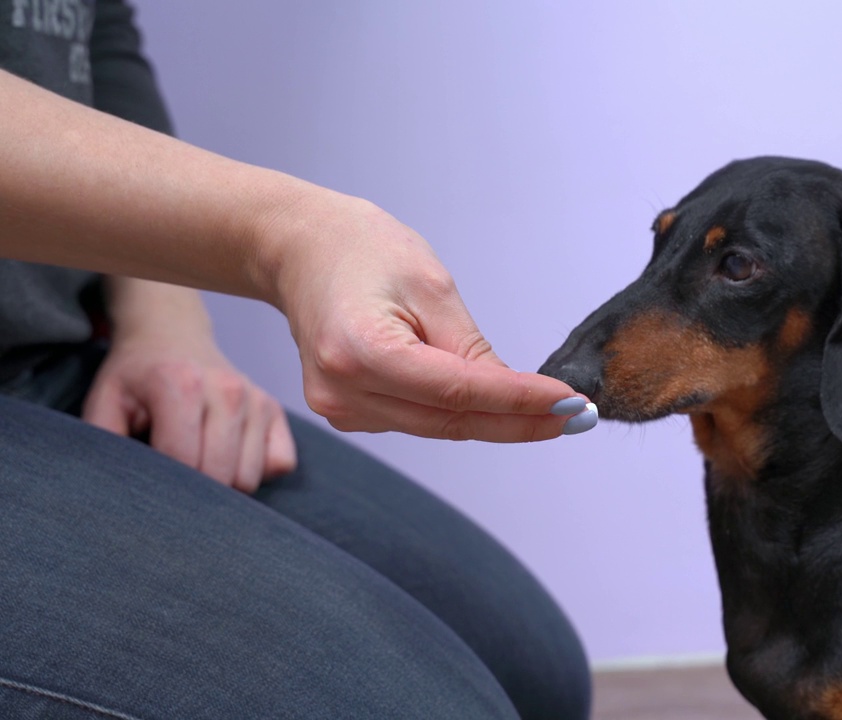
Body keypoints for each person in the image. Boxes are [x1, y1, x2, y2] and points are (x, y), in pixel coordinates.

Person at [0, 1, 596, 718]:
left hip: (51, 358)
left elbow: (94, 37)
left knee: (537, 672)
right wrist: (287, 235)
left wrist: (164, 319)